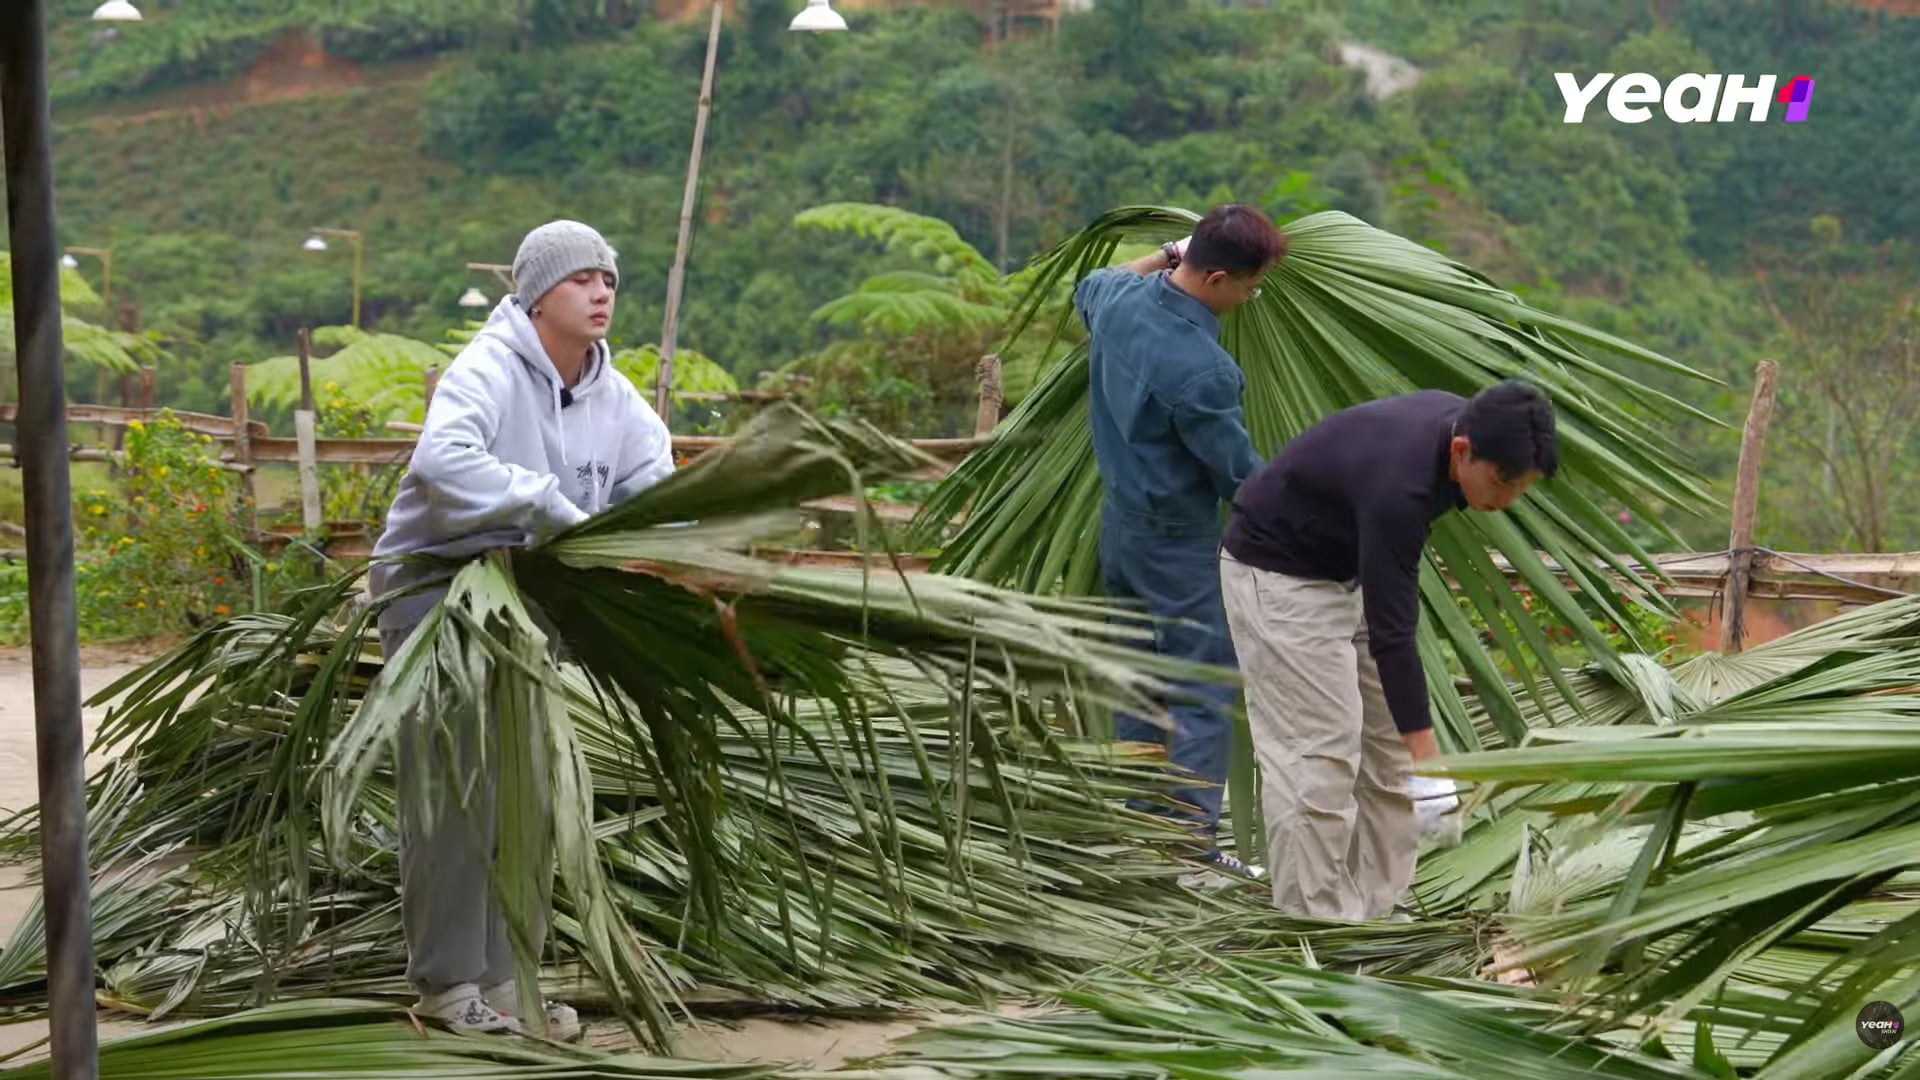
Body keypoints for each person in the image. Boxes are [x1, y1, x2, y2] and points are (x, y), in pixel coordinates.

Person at [367, 220, 674, 1037]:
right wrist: (547, 504)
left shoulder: (615, 394)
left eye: (609, 278)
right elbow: (441, 463)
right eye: (581, 279)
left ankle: (508, 984)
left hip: (529, 601)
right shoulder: (488, 369)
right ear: (538, 294)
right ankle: (445, 986)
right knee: (456, 786)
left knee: (528, 791)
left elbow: (652, 486)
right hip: (438, 593)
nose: (602, 291)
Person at [1218, 380, 1558, 919]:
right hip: (1278, 578)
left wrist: (1418, 761)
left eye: (1523, 487)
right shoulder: (1401, 485)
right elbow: (1394, 635)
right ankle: (1318, 928)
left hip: (1344, 572)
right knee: (1320, 753)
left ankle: (1379, 912)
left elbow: (1390, 621)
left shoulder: (1461, 428)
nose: (1509, 499)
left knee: (1386, 750)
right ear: (1463, 451)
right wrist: (1433, 763)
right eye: (1503, 482)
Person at [1074, 203, 1287, 878]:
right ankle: (1190, 850)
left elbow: (1093, 280)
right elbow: (1237, 477)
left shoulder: (1119, 305)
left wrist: (1168, 251)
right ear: (1220, 277)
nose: (1252, 299)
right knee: (1199, 688)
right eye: (1251, 287)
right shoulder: (1204, 370)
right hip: (1177, 545)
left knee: (1136, 683)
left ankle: (1132, 832)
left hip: (1120, 533)